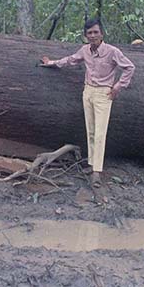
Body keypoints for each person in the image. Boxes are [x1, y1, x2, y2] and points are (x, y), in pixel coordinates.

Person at [40, 18, 135, 187]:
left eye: (95, 32)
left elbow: (129, 67)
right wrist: (51, 63)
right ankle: (92, 165)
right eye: (89, 33)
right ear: (85, 35)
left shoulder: (112, 51)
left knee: (100, 134)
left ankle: (97, 172)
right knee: (90, 131)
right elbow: (70, 60)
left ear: (102, 34)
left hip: (104, 94)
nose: (92, 35)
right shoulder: (85, 50)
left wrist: (118, 86)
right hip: (88, 92)